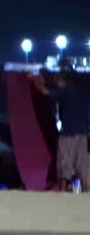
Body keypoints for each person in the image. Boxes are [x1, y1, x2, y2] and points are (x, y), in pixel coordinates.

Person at [31, 59, 89, 192]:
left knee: (65, 163)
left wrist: (35, 79)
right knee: (83, 165)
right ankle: (86, 192)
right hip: (83, 133)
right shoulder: (80, 91)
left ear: (62, 79)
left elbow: (44, 91)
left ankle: (62, 192)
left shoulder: (64, 91)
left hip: (68, 133)